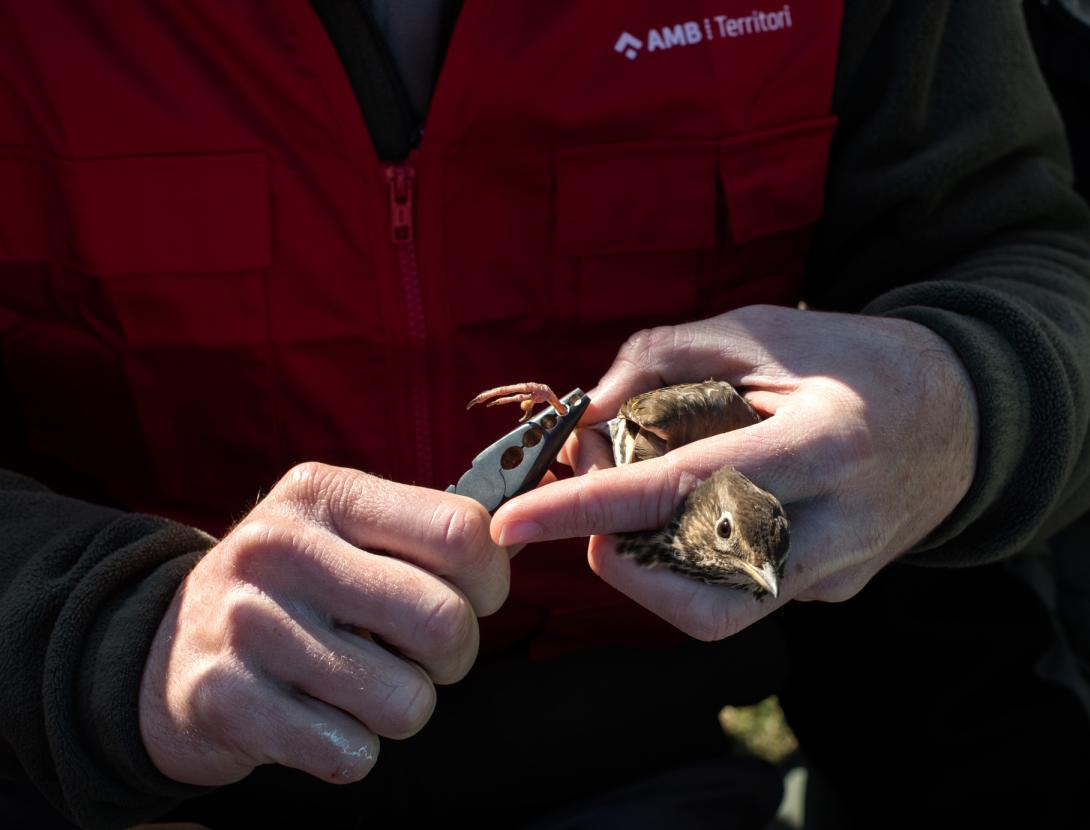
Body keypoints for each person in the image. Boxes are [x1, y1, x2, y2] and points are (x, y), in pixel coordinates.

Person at [1, 1, 1088, 828]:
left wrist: (960, 398)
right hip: (115, 787)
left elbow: (1020, 255)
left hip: (670, 760)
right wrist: (112, 633)